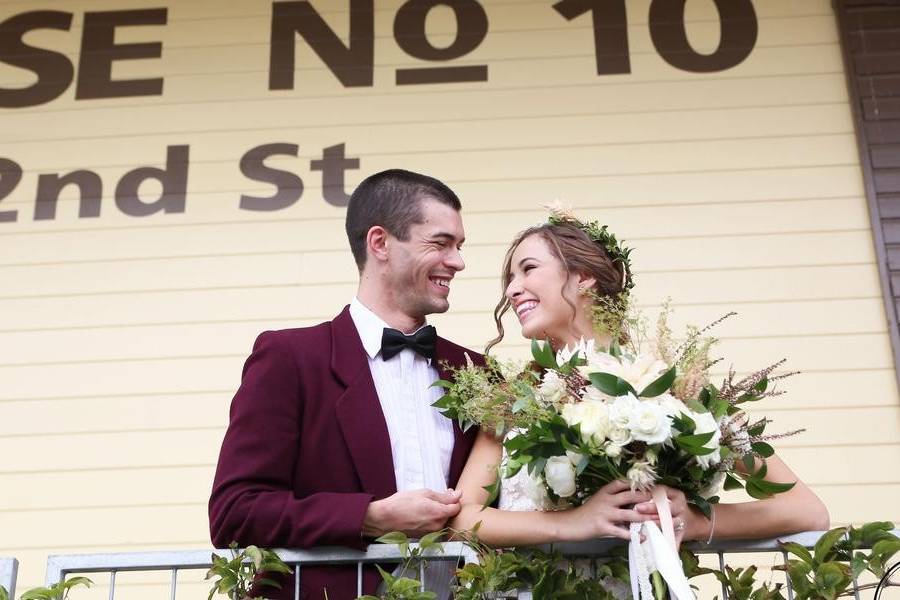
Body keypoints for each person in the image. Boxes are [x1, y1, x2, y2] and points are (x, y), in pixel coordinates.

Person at [449, 214, 830, 548]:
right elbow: (461, 521)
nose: (512, 289)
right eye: (509, 278)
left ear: (583, 278)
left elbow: (807, 511)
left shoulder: (677, 389)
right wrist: (571, 524)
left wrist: (695, 521)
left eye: (528, 269)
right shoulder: (514, 400)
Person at [209, 169, 483, 600]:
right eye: (441, 243)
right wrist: (370, 516)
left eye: (460, 246)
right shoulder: (289, 359)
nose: (458, 261)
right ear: (380, 243)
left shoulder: (477, 371)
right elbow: (235, 512)